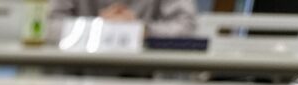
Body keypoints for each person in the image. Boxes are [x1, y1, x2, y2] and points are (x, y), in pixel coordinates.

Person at [48, 0, 197, 38]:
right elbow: (48, 27)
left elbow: (187, 27)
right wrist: (96, 27)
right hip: (77, 75)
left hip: (147, 77)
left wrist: (143, 30)